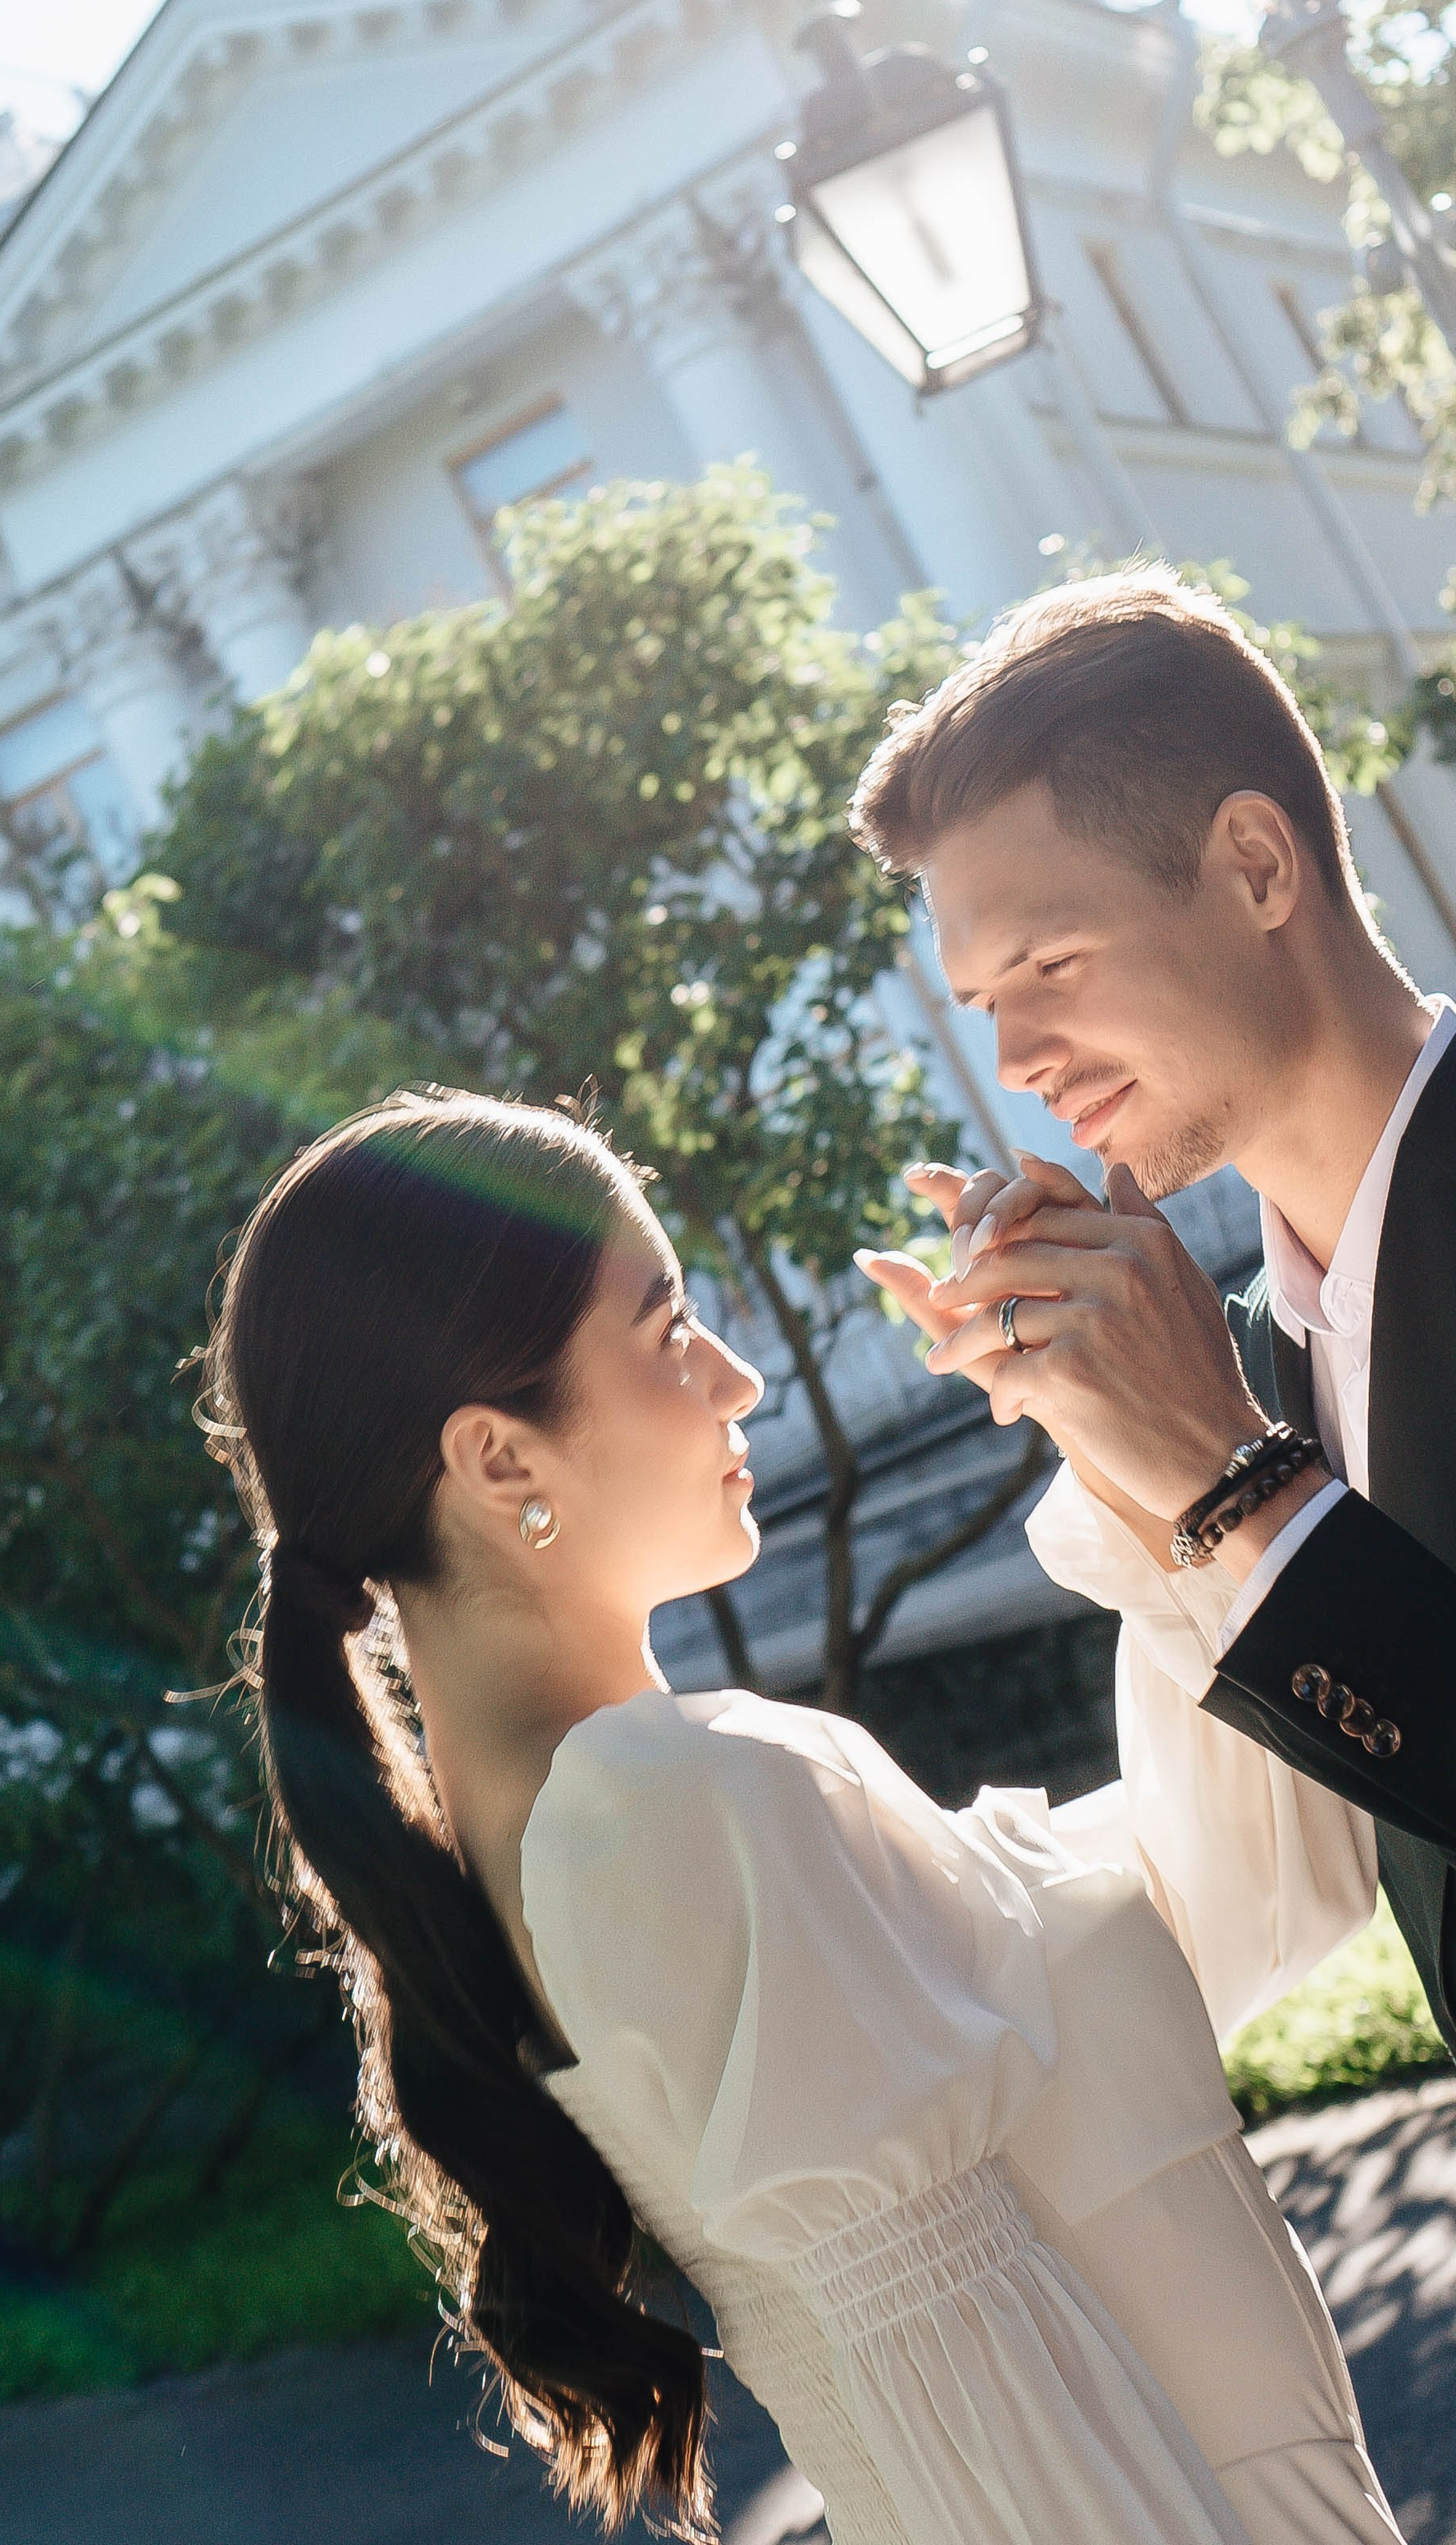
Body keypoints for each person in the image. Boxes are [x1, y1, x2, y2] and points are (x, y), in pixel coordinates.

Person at [207, 1086, 1396, 2543]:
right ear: (500, 1459)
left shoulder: (613, 1827)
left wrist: (1124, 1426)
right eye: (667, 1331)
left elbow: (1253, 1890)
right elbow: (1019, 2465)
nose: (738, 1379)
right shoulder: (677, 1812)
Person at [850, 568, 1456, 2050]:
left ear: (1256, 867)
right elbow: (1258, 1913)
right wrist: (1125, 1443)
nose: (1018, 1059)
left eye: (1052, 963)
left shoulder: (1234, 1416)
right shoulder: (1249, 1358)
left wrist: (1230, 1473)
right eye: (986, 1001)